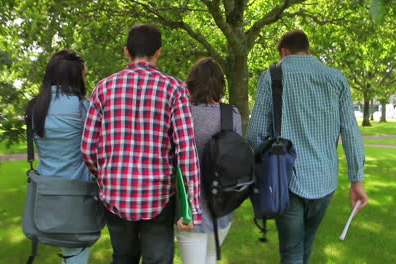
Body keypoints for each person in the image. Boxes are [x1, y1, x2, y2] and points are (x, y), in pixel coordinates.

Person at [81, 24, 202, 264]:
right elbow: (186, 150)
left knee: (123, 257)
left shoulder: (103, 88)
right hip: (158, 194)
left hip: (114, 192)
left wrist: (105, 175)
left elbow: (87, 148)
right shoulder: (175, 89)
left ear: (127, 52)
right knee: (157, 260)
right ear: (159, 52)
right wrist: (193, 207)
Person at [247, 30, 368, 264]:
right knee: (306, 244)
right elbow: (351, 132)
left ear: (283, 51)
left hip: (285, 179)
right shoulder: (336, 78)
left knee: (291, 252)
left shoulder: (272, 75)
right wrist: (357, 181)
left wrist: (258, 169)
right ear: (307, 49)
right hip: (325, 179)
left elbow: (255, 134)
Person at [27, 49, 92, 264]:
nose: (85, 79)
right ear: (75, 77)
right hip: (78, 192)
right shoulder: (82, 107)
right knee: (76, 255)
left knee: (69, 255)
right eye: (83, 75)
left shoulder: (35, 107)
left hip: (46, 191)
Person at [175, 57, 242, 264]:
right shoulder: (232, 114)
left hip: (189, 210)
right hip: (222, 207)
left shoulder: (183, 113)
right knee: (211, 257)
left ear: (192, 82)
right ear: (220, 84)